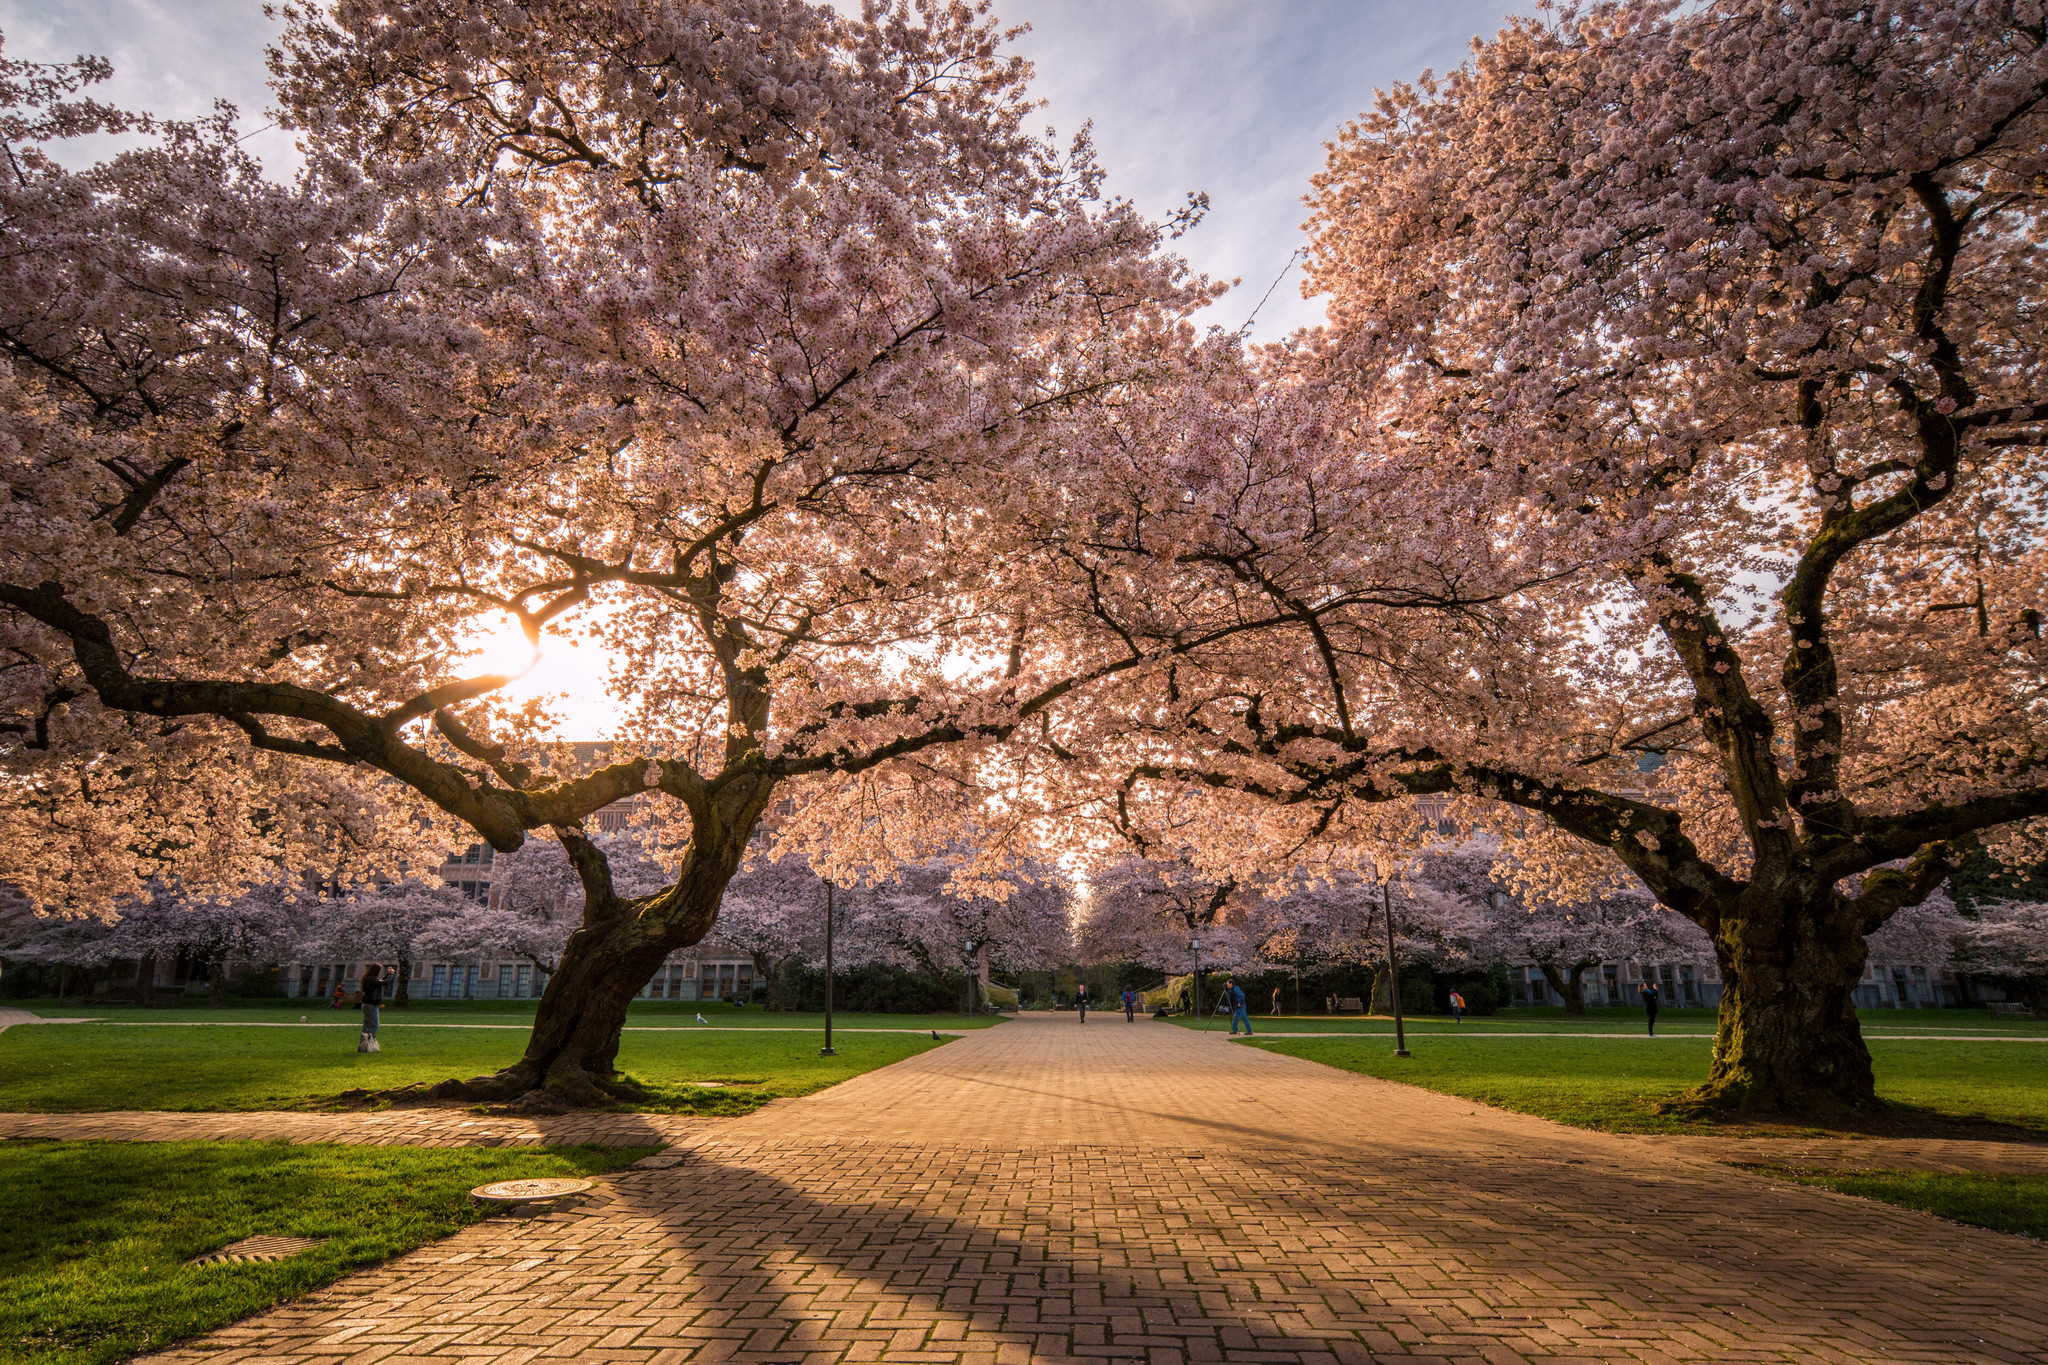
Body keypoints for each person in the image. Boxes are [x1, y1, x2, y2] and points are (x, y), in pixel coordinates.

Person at [357, 963, 395, 1053]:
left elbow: (380, 982)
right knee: (374, 1025)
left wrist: (388, 974)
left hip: (368, 1005)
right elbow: (384, 983)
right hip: (371, 1005)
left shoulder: (369, 979)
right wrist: (391, 974)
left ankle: (363, 1046)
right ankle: (368, 1045)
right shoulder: (371, 979)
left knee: (366, 1026)